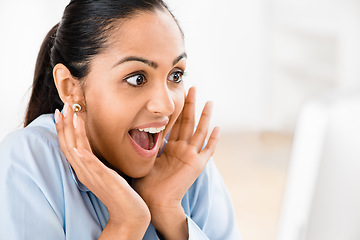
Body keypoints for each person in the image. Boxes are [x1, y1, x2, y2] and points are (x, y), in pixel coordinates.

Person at [0, 0, 241, 239]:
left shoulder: (184, 163)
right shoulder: (27, 162)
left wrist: (169, 213)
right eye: (137, 78)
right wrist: (127, 223)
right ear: (70, 87)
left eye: (175, 75)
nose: (166, 105)